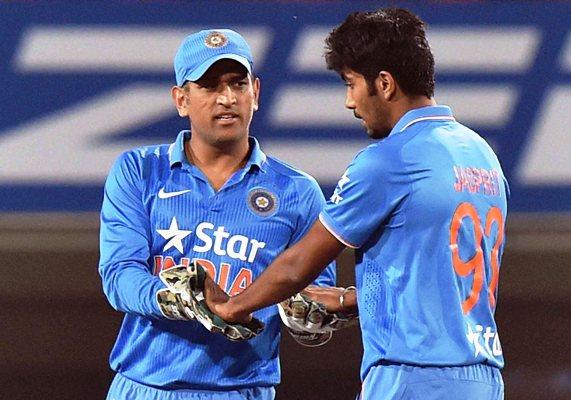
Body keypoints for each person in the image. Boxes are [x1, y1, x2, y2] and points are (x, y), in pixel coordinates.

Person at [207, 9, 509, 400]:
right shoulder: (481, 154)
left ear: (384, 84)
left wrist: (234, 307)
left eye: (351, 84)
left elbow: (301, 263)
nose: (350, 102)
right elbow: (440, 272)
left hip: (411, 378)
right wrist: (352, 300)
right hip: (482, 380)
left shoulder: (389, 159)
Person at [98, 28, 336, 400]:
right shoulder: (139, 170)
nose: (227, 98)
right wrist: (179, 300)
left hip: (242, 390)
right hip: (146, 387)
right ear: (181, 99)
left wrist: (308, 317)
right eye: (209, 86)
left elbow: (314, 300)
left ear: (254, 93)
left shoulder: (298, 191)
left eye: (237, 83)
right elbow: (119, 275)